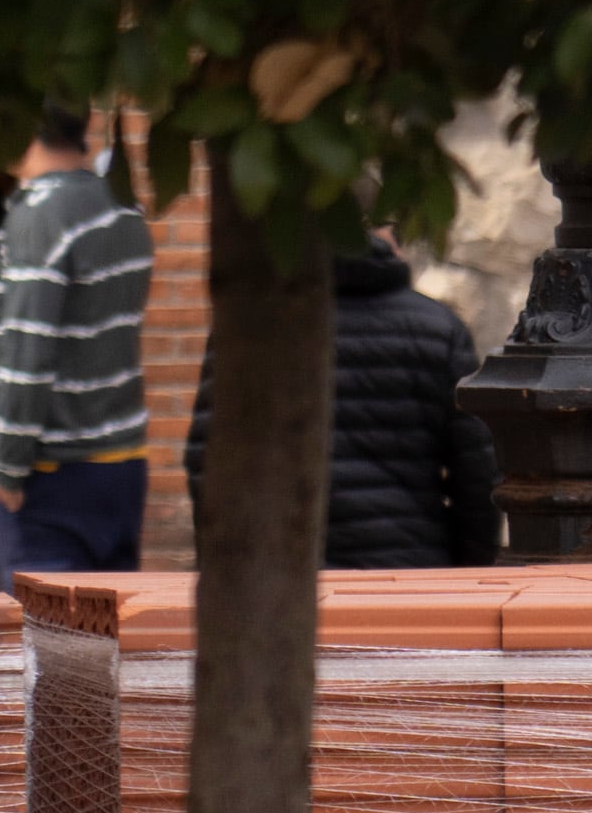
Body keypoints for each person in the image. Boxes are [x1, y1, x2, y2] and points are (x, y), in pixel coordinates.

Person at [183, 234, 502, 566]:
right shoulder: (440, 329)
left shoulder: (249, 325)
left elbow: (207, 459)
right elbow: (477, 471)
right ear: (391, 243)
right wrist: (467, 566)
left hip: (277, 576)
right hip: (408, 570)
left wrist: (227, 560)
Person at [0, 106, 155, 585]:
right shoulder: (121, 205)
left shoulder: (38, 217)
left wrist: (8, 469)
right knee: (106, 631)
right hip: (122, 461)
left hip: (49, 471)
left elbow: (29, 353)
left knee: (52, 643)